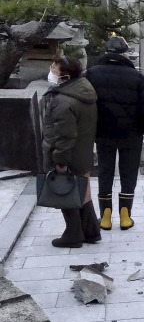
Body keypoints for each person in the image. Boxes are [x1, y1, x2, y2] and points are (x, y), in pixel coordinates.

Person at [87, 36, 144, 231]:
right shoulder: (137, 78)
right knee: (128, 173)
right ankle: (125, 215)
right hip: (131, 134)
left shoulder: (91, 74)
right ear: (125, 53)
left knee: (105, 171)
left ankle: (105, 216)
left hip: (103, 132)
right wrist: (143, 128)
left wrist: (92, 126)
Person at [41, 56, 100, 248]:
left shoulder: (64, 101)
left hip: (69, 154)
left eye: (54, 69)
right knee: (83, 192)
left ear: (65, 77)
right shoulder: (84, 91)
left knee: (65, 191)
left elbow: (64, 136)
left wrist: (60, 162)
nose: (50, 71)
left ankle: (73, 234)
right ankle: (90, 231)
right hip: (83, 151)